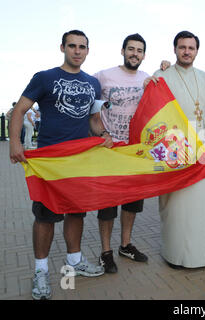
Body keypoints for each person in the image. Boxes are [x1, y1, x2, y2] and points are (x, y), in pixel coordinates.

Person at [9, 30, 113, 300]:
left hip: (79, 160)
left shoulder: (93, 83)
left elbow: (92, 120)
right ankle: (41, 271)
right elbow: (19, 110)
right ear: (62, 48)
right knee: (45, 216)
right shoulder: (44, 77)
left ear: (88, 50)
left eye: (82, 47)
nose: (77, 51)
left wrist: (103, 135)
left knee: (76, 212)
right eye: (72, 46)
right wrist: (14, 143)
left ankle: (75, 261)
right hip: (49, 161)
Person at [148, 31, 205, 269]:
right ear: (174, 49)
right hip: (174, 149)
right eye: (182, 47)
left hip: (202, 150)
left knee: (202, 205)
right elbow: (153, 113)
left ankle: (204, 256)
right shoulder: (162, 75)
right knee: (176, 207)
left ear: (197, 50)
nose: (186, 51)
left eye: (191, 47)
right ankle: (176, 255)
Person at [93, 33, 150, 273]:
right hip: (109, 150)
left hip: (135, 152)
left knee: (132, 203)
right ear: (122, 50)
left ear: (143, 55)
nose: (134, 53)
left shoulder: (147, 78)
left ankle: (125, 245)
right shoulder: (102, 76)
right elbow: (92, 111)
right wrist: (101, 134)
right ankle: (106, 252)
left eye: (139, 50)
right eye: (131, 49)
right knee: (107, 205)